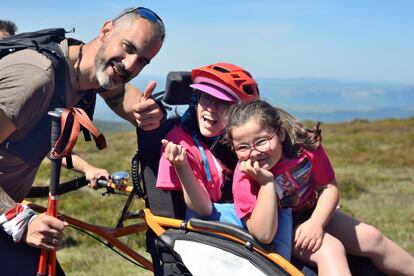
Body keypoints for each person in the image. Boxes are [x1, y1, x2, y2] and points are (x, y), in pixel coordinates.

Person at [0, 7, 165, 274]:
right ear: (106, 30)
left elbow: (121, 94)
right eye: (128, 47)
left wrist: (151, 114)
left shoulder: (83, 74)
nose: (131, 65)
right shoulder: (35, 78)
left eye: (143, 61)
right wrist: (19, 220)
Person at [225, 99, 414, 276]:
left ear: (281, 133)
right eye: (243, 147)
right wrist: (266, 183)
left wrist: (316, 223)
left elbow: (328, 188)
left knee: (372, 237)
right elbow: (264, 234)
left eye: (261, 141)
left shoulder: (304, 147)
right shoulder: (244, 177)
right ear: (233, 149)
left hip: (313, 211)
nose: (254, 152)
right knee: (331, 250)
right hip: (282, 227)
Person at [156, 62, 292, 260]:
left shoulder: (246, 143)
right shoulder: (180, 144)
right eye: (205, 97)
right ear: (196, 99)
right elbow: (202, 209)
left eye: (222, 102)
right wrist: (181, 165)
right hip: (226, 241)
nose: (210, 108)